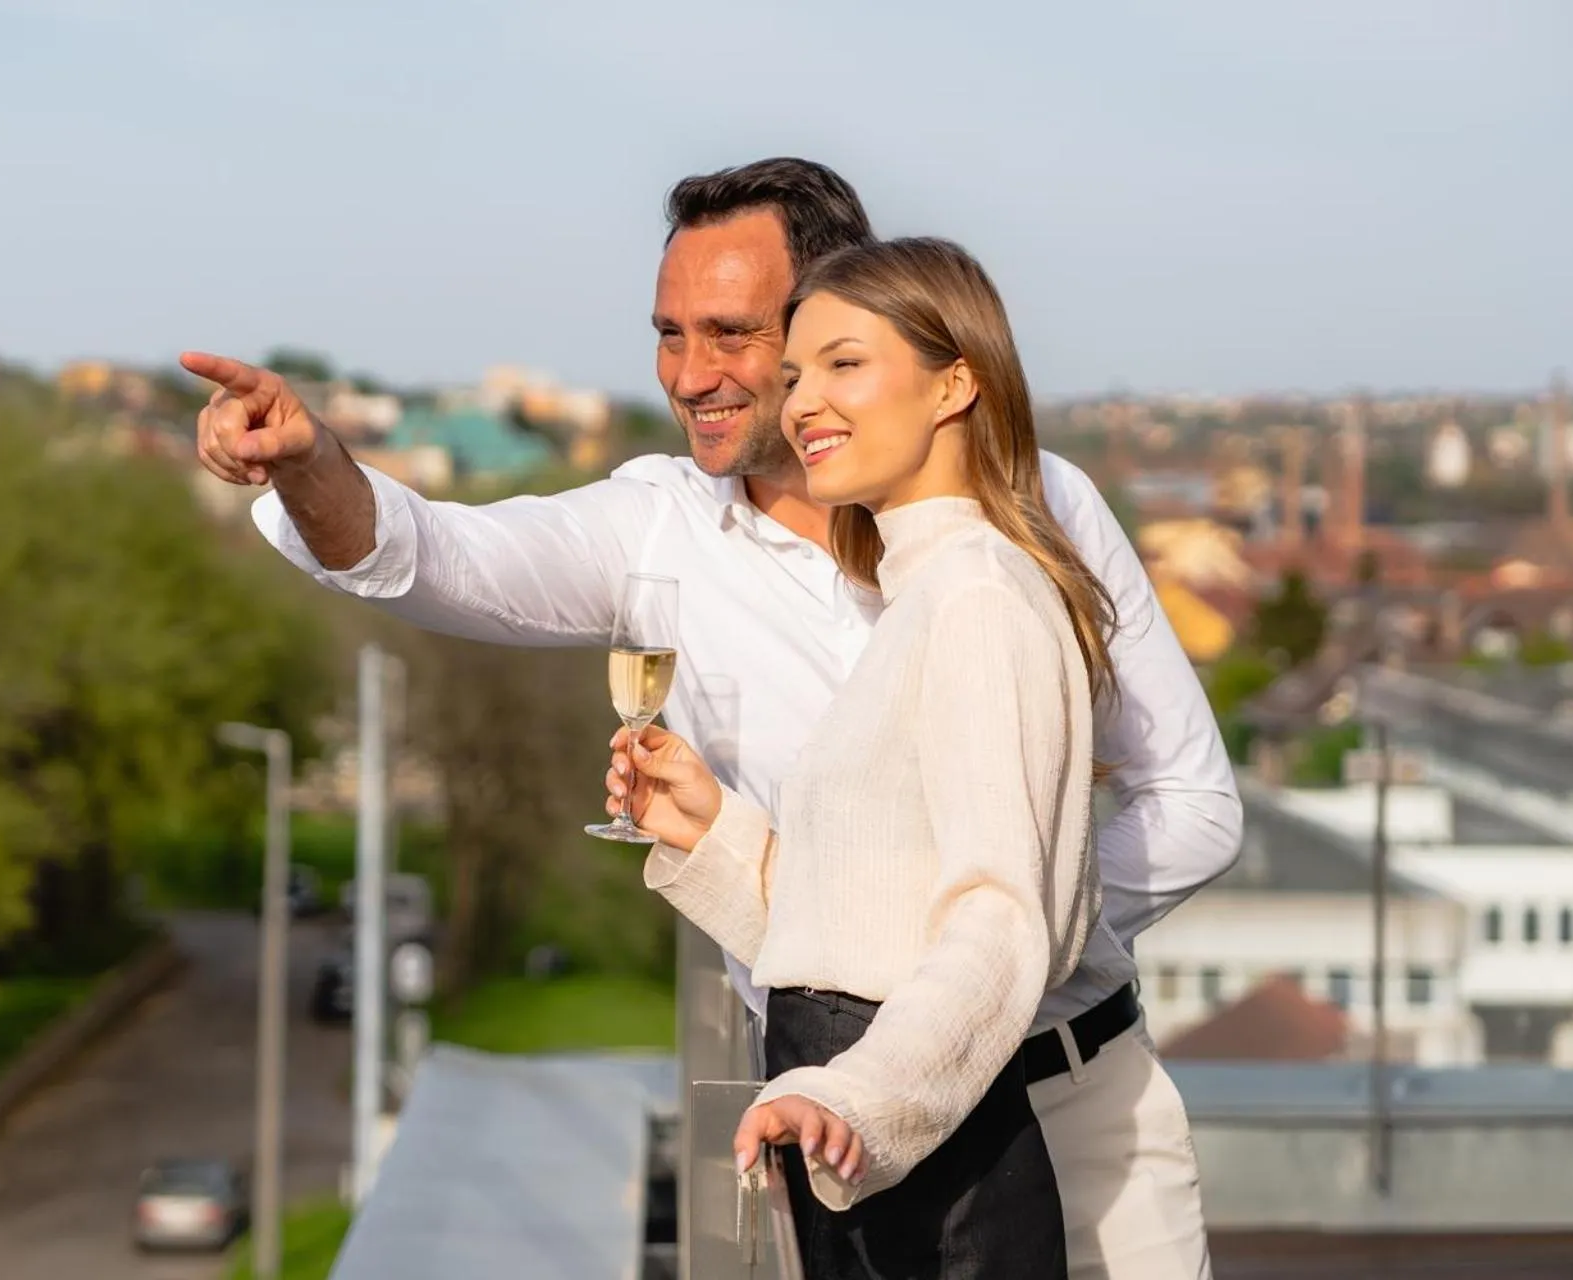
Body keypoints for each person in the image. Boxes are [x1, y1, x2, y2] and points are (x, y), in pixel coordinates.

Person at [186, 158, 1238, 1278]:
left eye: (733, 333)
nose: (692, 375)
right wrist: (305, 464)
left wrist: (1001, 934)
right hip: (832, 1134)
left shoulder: (1027, 525)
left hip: (1073, 1110)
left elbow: (1192, 805)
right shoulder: (657, 530)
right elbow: (428, 554)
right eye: (669, 333)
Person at [606, 233, 1106, 1277]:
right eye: (794, 374)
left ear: (954, 383)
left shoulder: (975, 599)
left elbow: (1000, 922)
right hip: (874, 1145)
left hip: (925, 1166)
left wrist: (851, 1096)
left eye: (843, 363)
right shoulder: (923, 593)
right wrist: (713, 831)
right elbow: (868, 925)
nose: (800, 403)